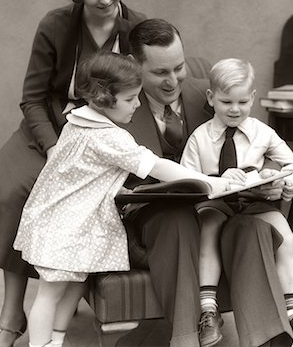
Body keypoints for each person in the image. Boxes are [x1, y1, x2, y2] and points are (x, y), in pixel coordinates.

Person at [0, 0, 146, 347]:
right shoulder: (55, 25)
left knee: (35, 200)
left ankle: (10, 322)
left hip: (98, 140)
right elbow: (32, 97)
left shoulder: (136, 29)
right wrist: (52, 146)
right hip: (49, 131)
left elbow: (145, 96)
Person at [14, 52, 230, 347]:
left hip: (69, 223)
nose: (138, 104)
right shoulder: (108, 138)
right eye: (130, 99)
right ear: (104, 99)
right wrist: (209, 182)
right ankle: (40, 344)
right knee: (49, 294)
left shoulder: (77, 120)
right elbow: (154, 165)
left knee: (74, 286)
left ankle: (57, 339)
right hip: (63, 227)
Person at [114, 18, 293, 347]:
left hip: (222, 209)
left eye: (179, 67)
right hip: (158, 219)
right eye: (160, 73)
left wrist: (268, 176)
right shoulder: (116, 107)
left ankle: (270, 340)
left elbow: (256, 141)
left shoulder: (211, 94)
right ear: (133, 65)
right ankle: (186, 339)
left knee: (252, 228)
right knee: (178, 220)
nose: (173, 81)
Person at [180, 58, 293, 346]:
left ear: (252, 97)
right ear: (211, 98)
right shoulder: (200, 138)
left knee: (285, 235)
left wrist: (287, 182)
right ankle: (209, 311)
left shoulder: (262, 133)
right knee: (209, 229)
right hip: (217, 202)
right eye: (226, 102)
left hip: (254, 201)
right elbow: (187, 180)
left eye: (241, 102)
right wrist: (218, 179)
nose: (234, 109)